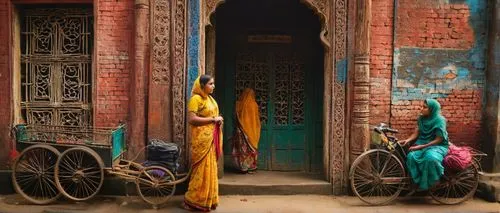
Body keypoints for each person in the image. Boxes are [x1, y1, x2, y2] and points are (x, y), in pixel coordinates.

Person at [183, 74, 223, 212]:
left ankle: (208, 199)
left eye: (213, 83)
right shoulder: (195, 99)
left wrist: (216, 121)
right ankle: (193, 200)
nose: (213, 86)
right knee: (201, 170)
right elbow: (192, 119)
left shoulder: (210, 99)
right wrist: (213, 119)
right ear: (202, 86)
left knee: (210, 169)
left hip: (210, 139)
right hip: (201, 141)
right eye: (210, 84)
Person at [399, 99, 449, 190]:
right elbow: (416, 133)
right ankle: (417, 182)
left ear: (432, 109)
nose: (421, 109)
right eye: (422, 106)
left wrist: (421, 146)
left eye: (425, 107)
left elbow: (439, 139)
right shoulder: (421, 118)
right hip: (422, 143)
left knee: (430, 158)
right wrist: (407, 140)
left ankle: (434, 182)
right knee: (411, 156)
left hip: (437, 146)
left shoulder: (440, 120)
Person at [232, 88, 261, 173]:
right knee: (251, 149)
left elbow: (236, 116)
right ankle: (252, 167)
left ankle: (243, 168)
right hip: (253, 132)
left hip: (242, 131)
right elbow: (257, 120)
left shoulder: (239, 105)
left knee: (243, 150)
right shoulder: (254, 105)